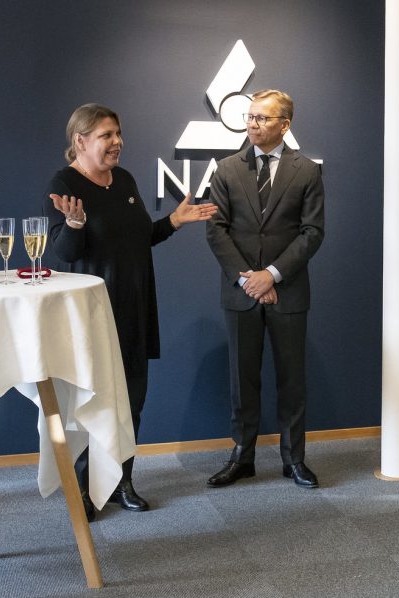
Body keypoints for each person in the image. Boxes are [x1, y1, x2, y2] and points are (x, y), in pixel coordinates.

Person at [46, 103, 218, 520]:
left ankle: (122, 481)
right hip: (92, 312)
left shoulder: (123, 179)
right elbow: (64, 253)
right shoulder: (65, 183)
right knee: (91, 402)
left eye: (118, 133)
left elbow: (140, 237)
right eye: (106, 135)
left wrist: (173, 221)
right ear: (80, 140)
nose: (117, 142)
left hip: (135, 306)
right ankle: (85, 487)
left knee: (131, 401)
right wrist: (74, 224)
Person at [205, 89, 325, 489]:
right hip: (240, 293)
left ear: (284, 125)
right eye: (250, 116)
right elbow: (216, 230)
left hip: (288, 291)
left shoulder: (306, 171)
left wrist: (271, 275)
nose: (252, 124)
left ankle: (294, 460)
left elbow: (312, 232)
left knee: (292, 380)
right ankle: (242, 457)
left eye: (262, 118)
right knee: (243, 381)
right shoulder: (226, 169)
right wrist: (249, 280)